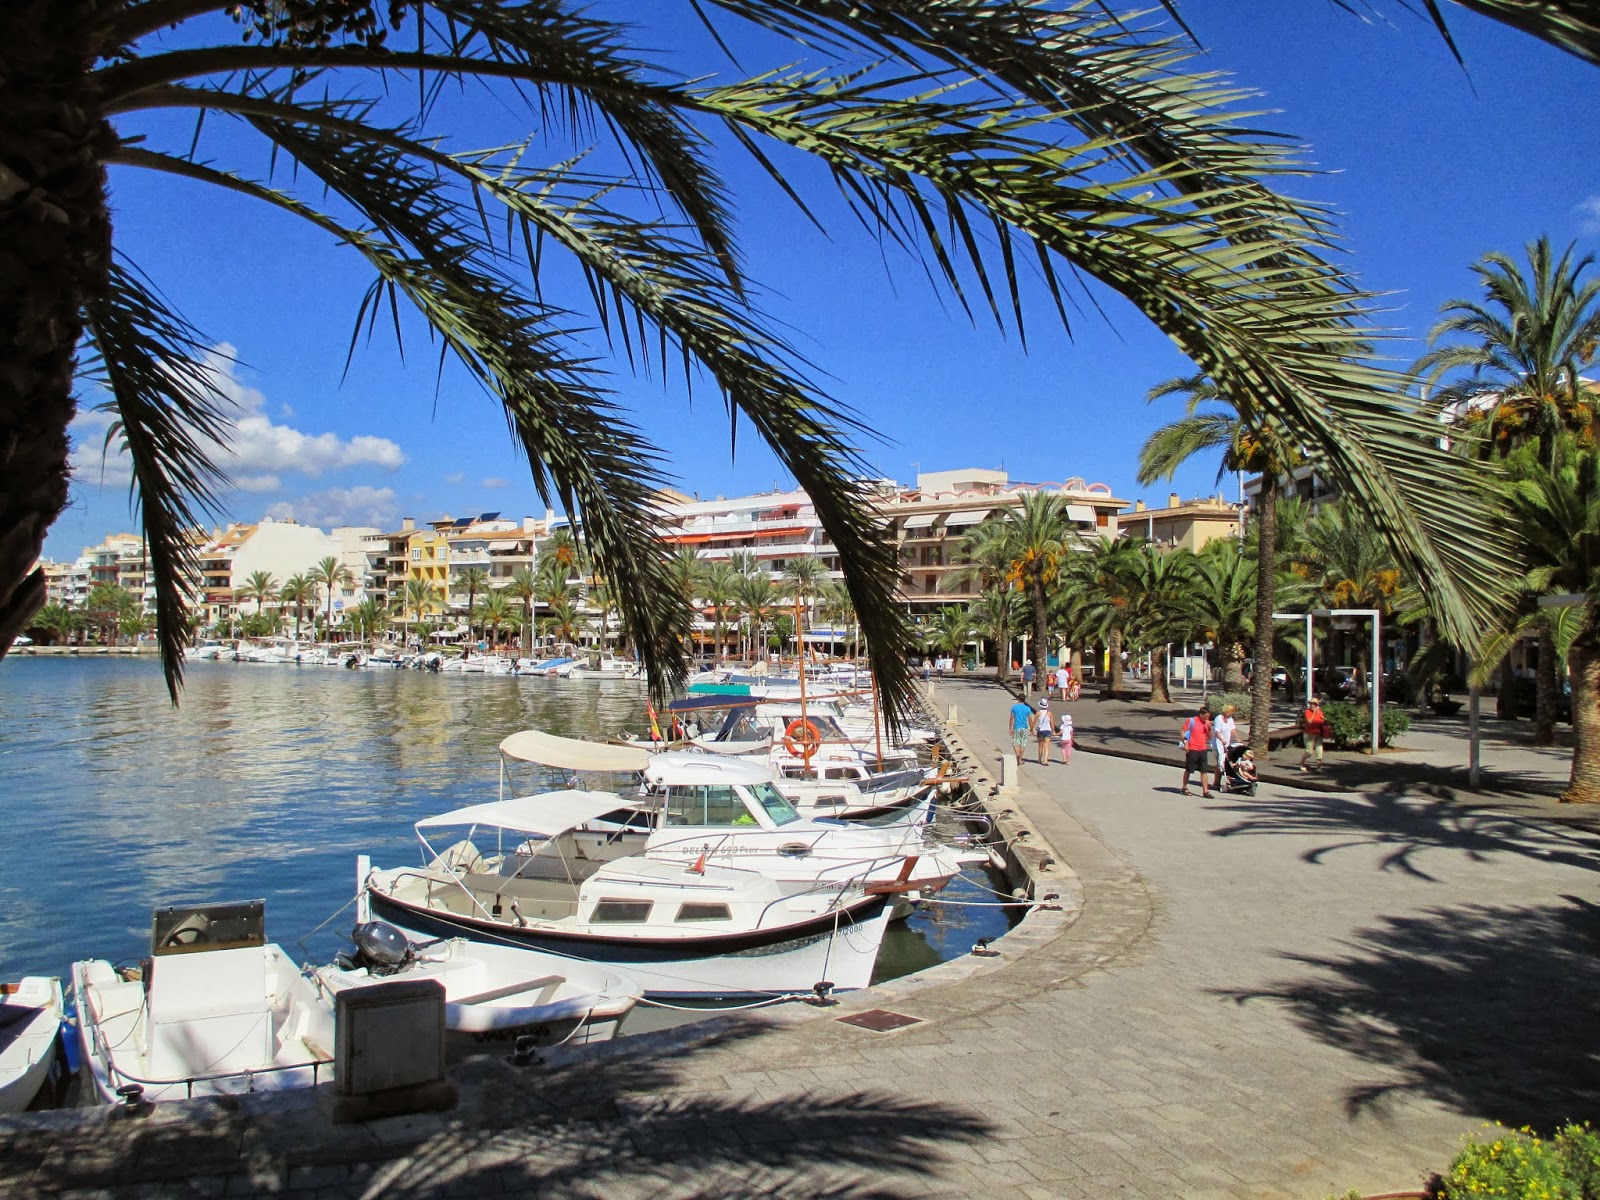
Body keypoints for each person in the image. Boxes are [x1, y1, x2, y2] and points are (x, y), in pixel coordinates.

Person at [1179, 704, 1212, 797]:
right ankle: (1184, 787)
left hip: (1203, 749)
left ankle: (1205, 791)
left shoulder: (1206, 723)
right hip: (1192, 748)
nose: (1207, 718)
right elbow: (1182, 731)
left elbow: (1210, 737)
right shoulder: (1191, 721)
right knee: (1189, 769)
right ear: (1200, 714)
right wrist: (1185, 742)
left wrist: (1209, 728)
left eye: (1208, 717)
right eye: (1205, 716)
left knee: (1204, 771)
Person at [1210, 703, 1237, 792]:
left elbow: (1233, 729)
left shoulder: (1230, 720)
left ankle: (1227, 780)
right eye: (1231, 712)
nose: (1232, 714)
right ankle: (1216, 782)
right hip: (1217, 744)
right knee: (1220, 762)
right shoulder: (1219, 719)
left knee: (1225, 763)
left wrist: (1238, 739)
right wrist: (1222, 739)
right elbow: (1217, 731)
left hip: (1225, 744)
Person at [1300, 696, 1328, 772]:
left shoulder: (1320, 712)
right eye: (1311, 703)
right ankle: (1302, 763)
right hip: (1309, 734)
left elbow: (1323, 721)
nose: (1312, 705)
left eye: (1314, 704)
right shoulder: (1307, 712)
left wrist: (1323, 718)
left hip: (1318, 734)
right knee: (1309, 752)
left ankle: (1318, 767)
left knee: (1319, 751)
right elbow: (1309, 722)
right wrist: (1314, 713)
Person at [1008, 696, 1034, 766]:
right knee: (1023, 743)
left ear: (1018, 699)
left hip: (1016, 727)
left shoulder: (1014, 707)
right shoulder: (1027, 708)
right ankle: (1020, 758)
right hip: (1024, 728)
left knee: (1016, 742)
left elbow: (1012, 718)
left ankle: (1017, 754)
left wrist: (1010, 728)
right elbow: (1030, 719)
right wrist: (1032, 729)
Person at [1034, 697, 1054, 765]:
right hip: (1048, 730)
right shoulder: (1049, 713)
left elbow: (1035, 723)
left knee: (1040, 745)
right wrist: (1053, 730)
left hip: (1040, 730)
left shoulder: (1038, 713)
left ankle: (1039, 759)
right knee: (1047, 746)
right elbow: (1052, 723)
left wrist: (1032, 729)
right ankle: (1045, 760)